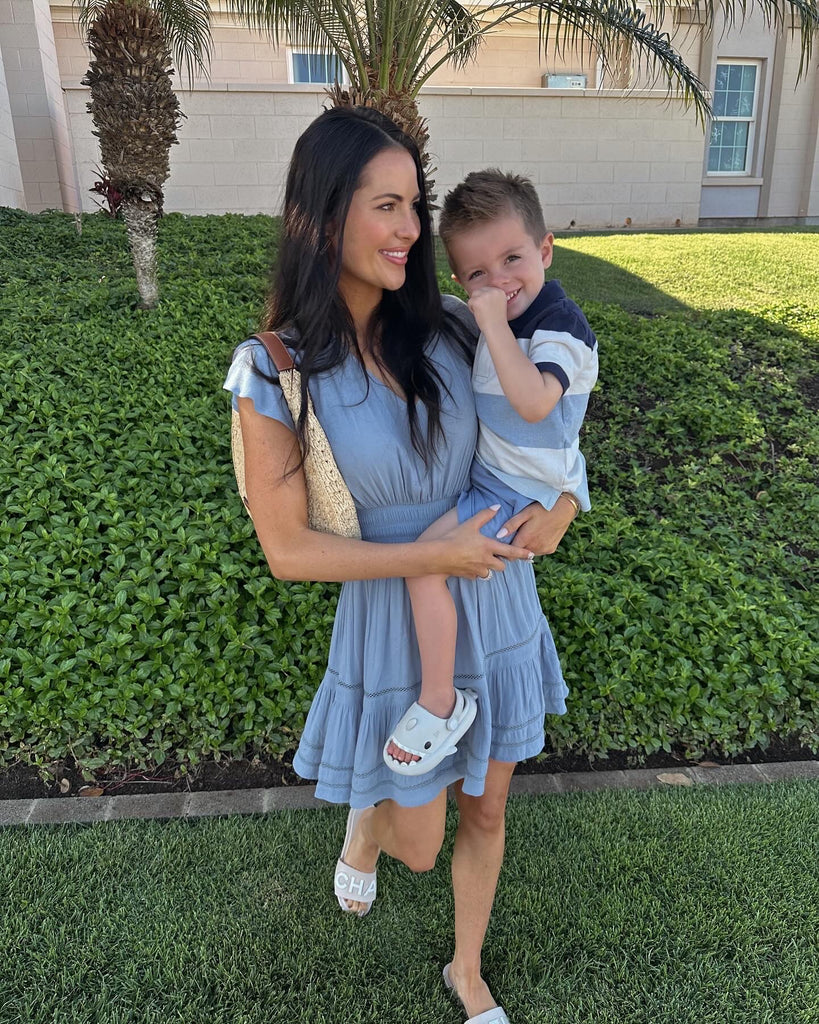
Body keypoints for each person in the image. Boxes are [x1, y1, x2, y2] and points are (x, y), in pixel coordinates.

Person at [223, 106, 577, 1024]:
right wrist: (435, 554)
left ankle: (466, 970)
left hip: (493, 598)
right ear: (324, 212)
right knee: (420, 841)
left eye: (415, 206)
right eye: (388, 206)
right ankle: (369, 828)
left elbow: (548, 433)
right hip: (399, 613)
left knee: (488, 809)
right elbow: (287, 549)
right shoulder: (276, 370)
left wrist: (567, 507)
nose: (412, 230)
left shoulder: (456, 328)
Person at [383, 169, 598, 773]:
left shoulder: (559, 326)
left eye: (513, 259)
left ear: (546, 249)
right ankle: (442, 697)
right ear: (459, 279)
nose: (500, 284)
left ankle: (439, 702)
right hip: (494, 483)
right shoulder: (485, 322)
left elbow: (537, 406)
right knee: (426, 571)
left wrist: (567, 500)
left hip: (511, 495)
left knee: (424, 571)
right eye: (479, 274)